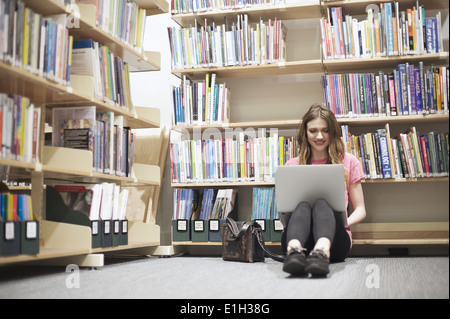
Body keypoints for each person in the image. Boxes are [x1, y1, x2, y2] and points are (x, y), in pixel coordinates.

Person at [281, 104, 366, 277]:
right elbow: (286, 210)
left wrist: (343, 223)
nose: (319, 136)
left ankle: (321, 252)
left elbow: (361, 209)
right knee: (303, 205)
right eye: (313, 131)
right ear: (305, 132)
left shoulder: (349, 162)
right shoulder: (292, 165)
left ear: (332, 132)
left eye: (325, 130)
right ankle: (294, 250)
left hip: (335, 241)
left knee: (321, 204)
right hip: (298, 239)